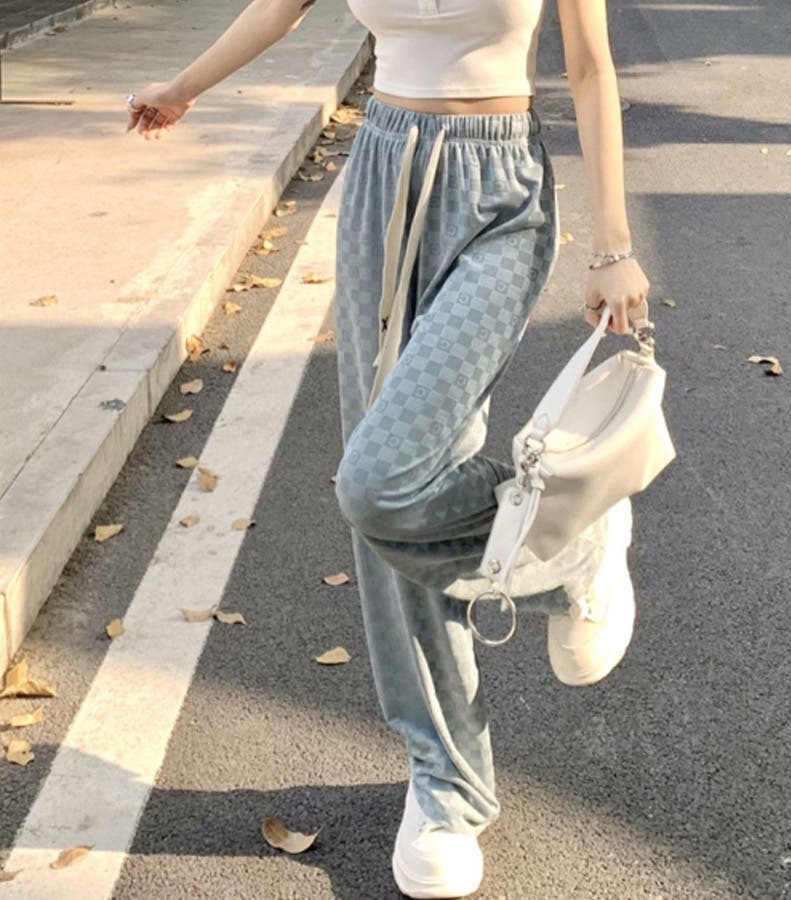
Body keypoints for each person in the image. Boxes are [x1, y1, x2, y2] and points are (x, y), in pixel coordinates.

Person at [126, 0, 650, 896]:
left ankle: (576, 544)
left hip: (500, 196)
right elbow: (278, 7)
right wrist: (183, 89)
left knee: (383, 483)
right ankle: (445, 780)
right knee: (384, 485)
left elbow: (591, 66)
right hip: (380, 179)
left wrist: (613, 246)